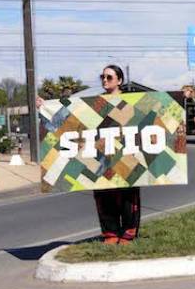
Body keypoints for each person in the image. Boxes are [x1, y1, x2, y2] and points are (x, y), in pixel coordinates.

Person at [37, 64, 141, 245]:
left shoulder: (132, 101)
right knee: (103, 194)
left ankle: (128, 233)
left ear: (120, 81)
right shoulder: (96, 103)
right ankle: (110, 232)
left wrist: (181, 99)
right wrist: (46, 107)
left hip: (124, 155)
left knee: (127, 193)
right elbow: (70, 118)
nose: (105, 80)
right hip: (99, 155)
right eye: (103, 77)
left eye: (109, 77)